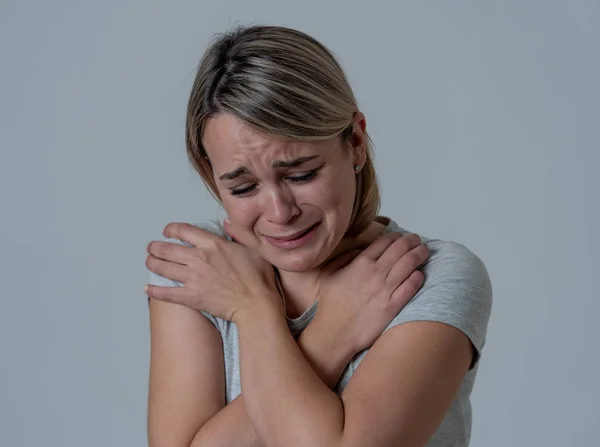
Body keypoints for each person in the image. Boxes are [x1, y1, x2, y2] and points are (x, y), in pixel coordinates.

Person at [144, 25, 492, 447]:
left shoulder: (433, 277)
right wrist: (312, 330)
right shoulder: (199, 266)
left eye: (302, 174)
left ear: (357, 142)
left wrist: (252, 313)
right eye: (242, 187)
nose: (280, 213)